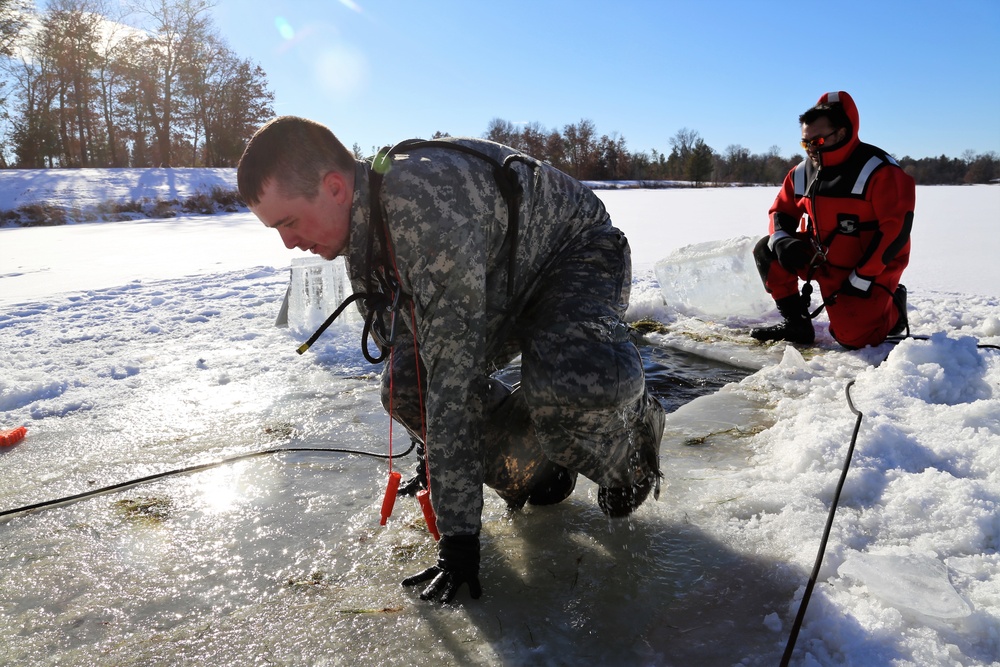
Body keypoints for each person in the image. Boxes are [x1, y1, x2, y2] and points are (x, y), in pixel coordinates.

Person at [236, 117, 665, 604]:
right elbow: (417, 361)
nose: (288, 243)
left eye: (289, 222)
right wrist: (435, 459)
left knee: (566, 382)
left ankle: (635, 447)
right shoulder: (361, 229)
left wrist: (458, 541)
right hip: (497, 275)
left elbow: (453, 385)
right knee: (403, 388)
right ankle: (543, 468)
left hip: (573, 256)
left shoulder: (425, 207)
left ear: (334, 187)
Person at [750, 91, 914, 349]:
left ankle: (893, 309)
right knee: (766, 249)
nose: (812, 149)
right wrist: (782, 241)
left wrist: (863, 276)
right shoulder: (802, 172)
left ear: (843, 132)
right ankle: (797, 324)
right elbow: (781, 211)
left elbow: (895, 232)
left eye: (819, 140)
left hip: (866, 265)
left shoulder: (880, 171)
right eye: (806, 143)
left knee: (853, 339)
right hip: (821, 257)